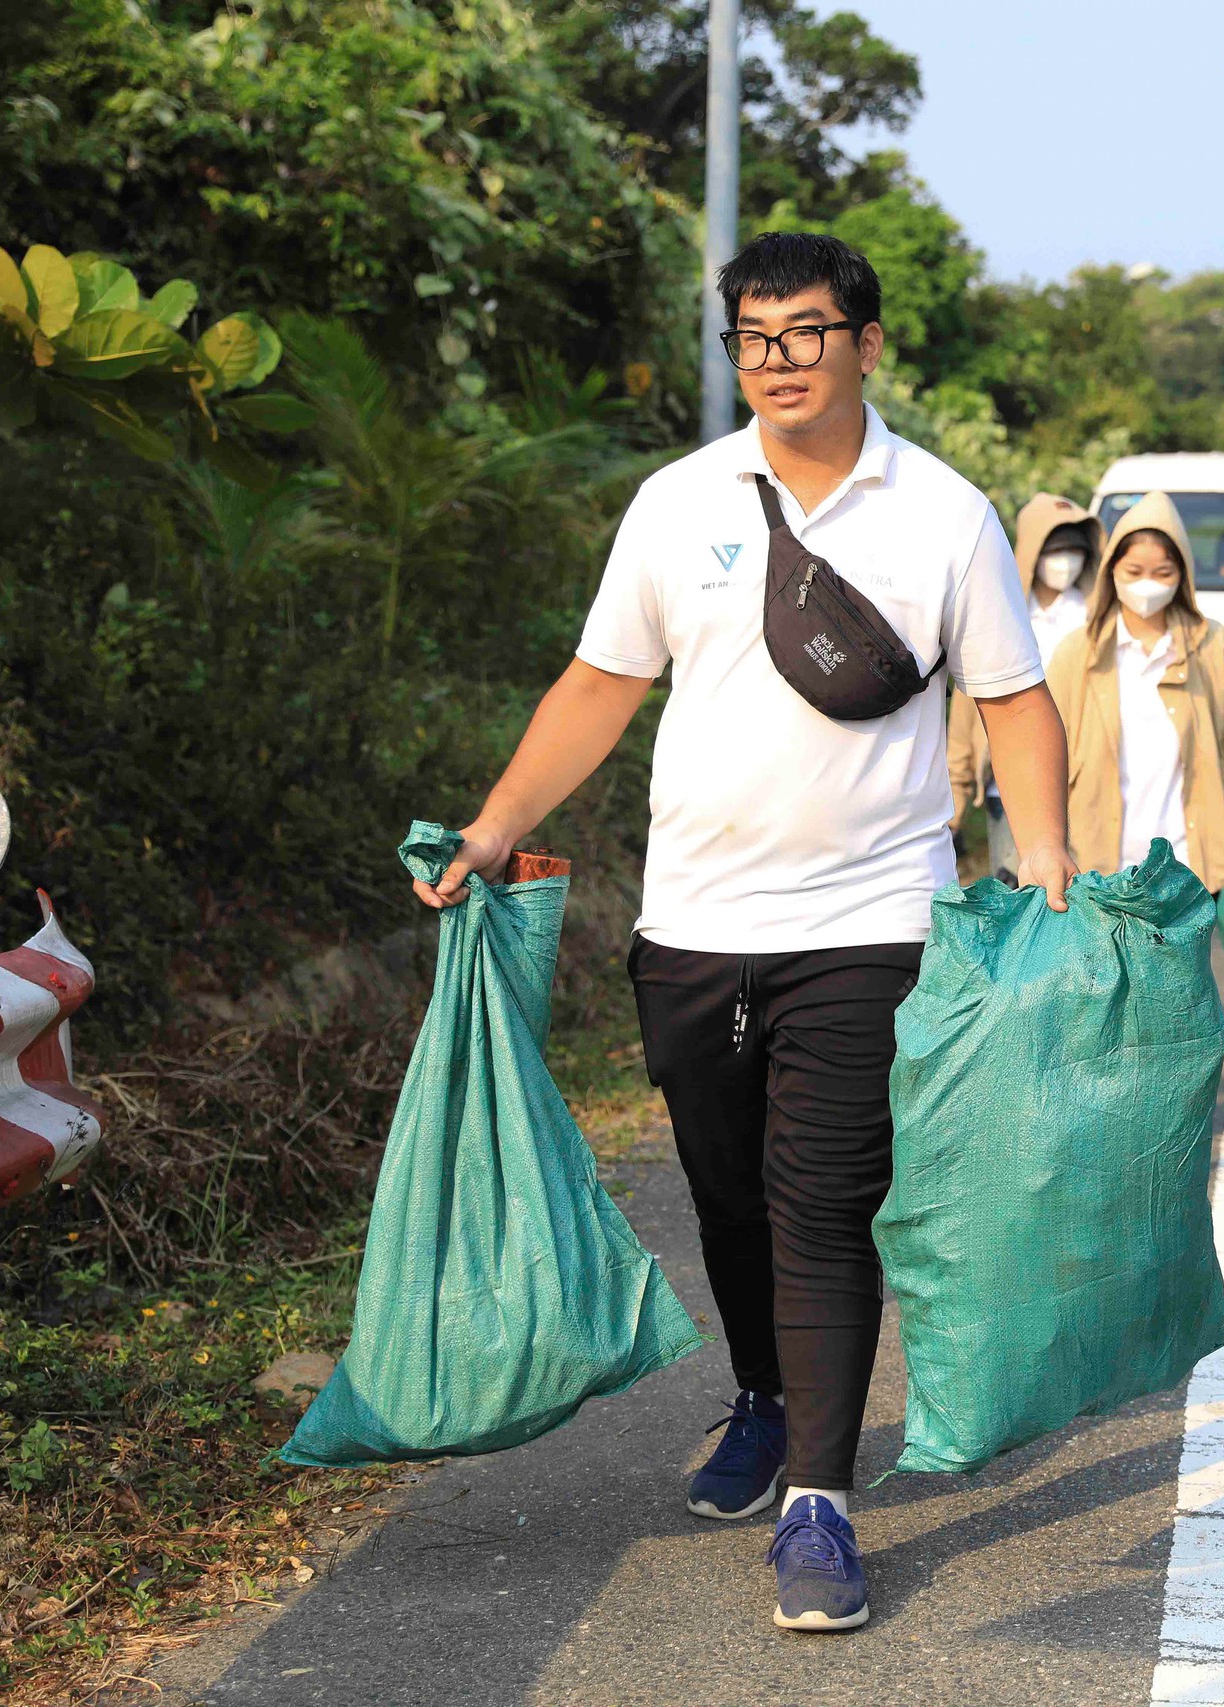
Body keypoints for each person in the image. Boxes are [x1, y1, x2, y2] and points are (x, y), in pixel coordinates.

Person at [412, 233, 1075, 1633]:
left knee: (822, 1197)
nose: (779, 360)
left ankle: (820, 1504)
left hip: (873, 920)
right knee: (726, 1191)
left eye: (807, 331)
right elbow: (600, 686)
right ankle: (767, 1397)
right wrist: (489, 824)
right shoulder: (677, 503)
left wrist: (1050, 844)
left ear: (867, 344)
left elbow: (1015, 698)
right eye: (753, 336)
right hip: (697, 918)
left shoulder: (944, 512)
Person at [1043, 491, 1224, 892]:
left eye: (1162, 573)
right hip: (1100, 867)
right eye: (1134, 571)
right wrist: (1040, 846)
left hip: (1189, 865)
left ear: (1182, 575)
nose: (1147, 585)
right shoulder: (1080, 652)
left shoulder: (1211, 647)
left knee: (1181, 957)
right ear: (1111, 570)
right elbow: (1045, 755)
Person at [947, 493, 1102, 881]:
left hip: (1087, 790)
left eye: (1073, 549)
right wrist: (957, 793)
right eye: (1055, 549)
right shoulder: (999, 608)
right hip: (1010, 792)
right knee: (1020, 897)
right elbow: (968, 712)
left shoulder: (1096, 617)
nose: (1065, 561)